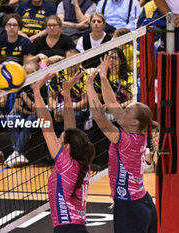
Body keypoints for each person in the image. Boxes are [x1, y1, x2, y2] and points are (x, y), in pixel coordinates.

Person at [86, 55, 158, 233]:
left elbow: (99, 117)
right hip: (143, 201)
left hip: (130, 206)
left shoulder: (125, 140)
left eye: (126, 111)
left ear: (134, 122)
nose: (122, 111)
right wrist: (103, 76)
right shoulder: (136, 133)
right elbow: (111, 102)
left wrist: (89, 86)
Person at [32, 71, 95, 233]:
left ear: (67, 147)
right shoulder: (81, 163)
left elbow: (46, 126)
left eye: (61, 137)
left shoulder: (65, 163)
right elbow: (71, 127)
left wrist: (37, 92)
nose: (58, 138)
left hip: (66, 229)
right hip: (78, 228)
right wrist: (66, 94)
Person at [4, 60, 39, 168]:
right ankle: (18, 154)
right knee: (12, 120)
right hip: (27, 113)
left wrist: (25, 98)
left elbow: (38, 109)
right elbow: (17, 107)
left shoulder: (41, 85)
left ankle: (15, 153)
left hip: (41, 115)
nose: (29, 75)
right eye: (27, 73)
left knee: (31, 120)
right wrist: (29, 111)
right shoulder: (22, 85)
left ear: (38, 72)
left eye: (32, 72)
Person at [48, 49, 90, 129]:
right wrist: (56, 109)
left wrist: (67, 110)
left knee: (74, 116)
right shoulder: (58, 74)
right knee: (43, 115)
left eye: (75, 59)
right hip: (60, 106)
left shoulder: (85, 76)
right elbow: (51, 97)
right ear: (64, 60)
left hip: (78, 108)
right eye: (69, 59)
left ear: (80, 61)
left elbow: (85, 101)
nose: (72, 63)